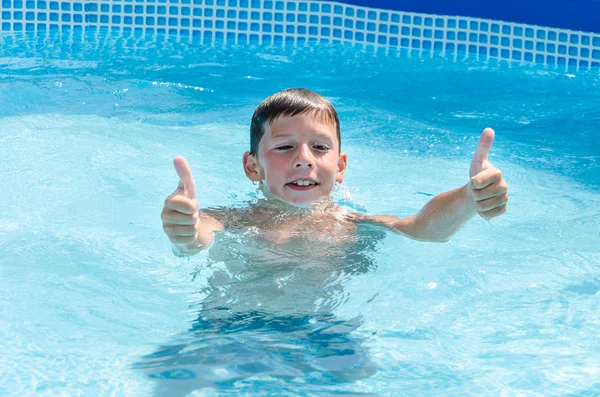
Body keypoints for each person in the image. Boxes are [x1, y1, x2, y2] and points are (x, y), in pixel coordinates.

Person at [160, 88, 508, 256]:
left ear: (339, 167)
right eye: (284, 147)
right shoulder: (232, 220)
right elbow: (200, 234)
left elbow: (421, 228)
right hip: (233, 321)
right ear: (253, 166)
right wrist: (186, 228)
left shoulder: (351, 224)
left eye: (320, 147)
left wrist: (468, 199)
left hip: (325, 328)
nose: (304, 159)